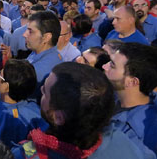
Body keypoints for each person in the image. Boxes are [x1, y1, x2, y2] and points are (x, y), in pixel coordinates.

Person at [12, 62, 147, 159]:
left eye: (46, 92)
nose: (41, 90)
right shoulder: (121, 139)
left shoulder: (27, 153)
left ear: (58, 117)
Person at [103, 42, 157, 156]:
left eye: (112, 65)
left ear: (132, 82)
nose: (104, 66)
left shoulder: (135, 135)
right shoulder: (113, 96)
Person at [23, 11, 62, 103]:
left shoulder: (40, 70)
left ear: (46, 37)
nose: (24, 34)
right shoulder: (38, 52)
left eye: (30, 31)